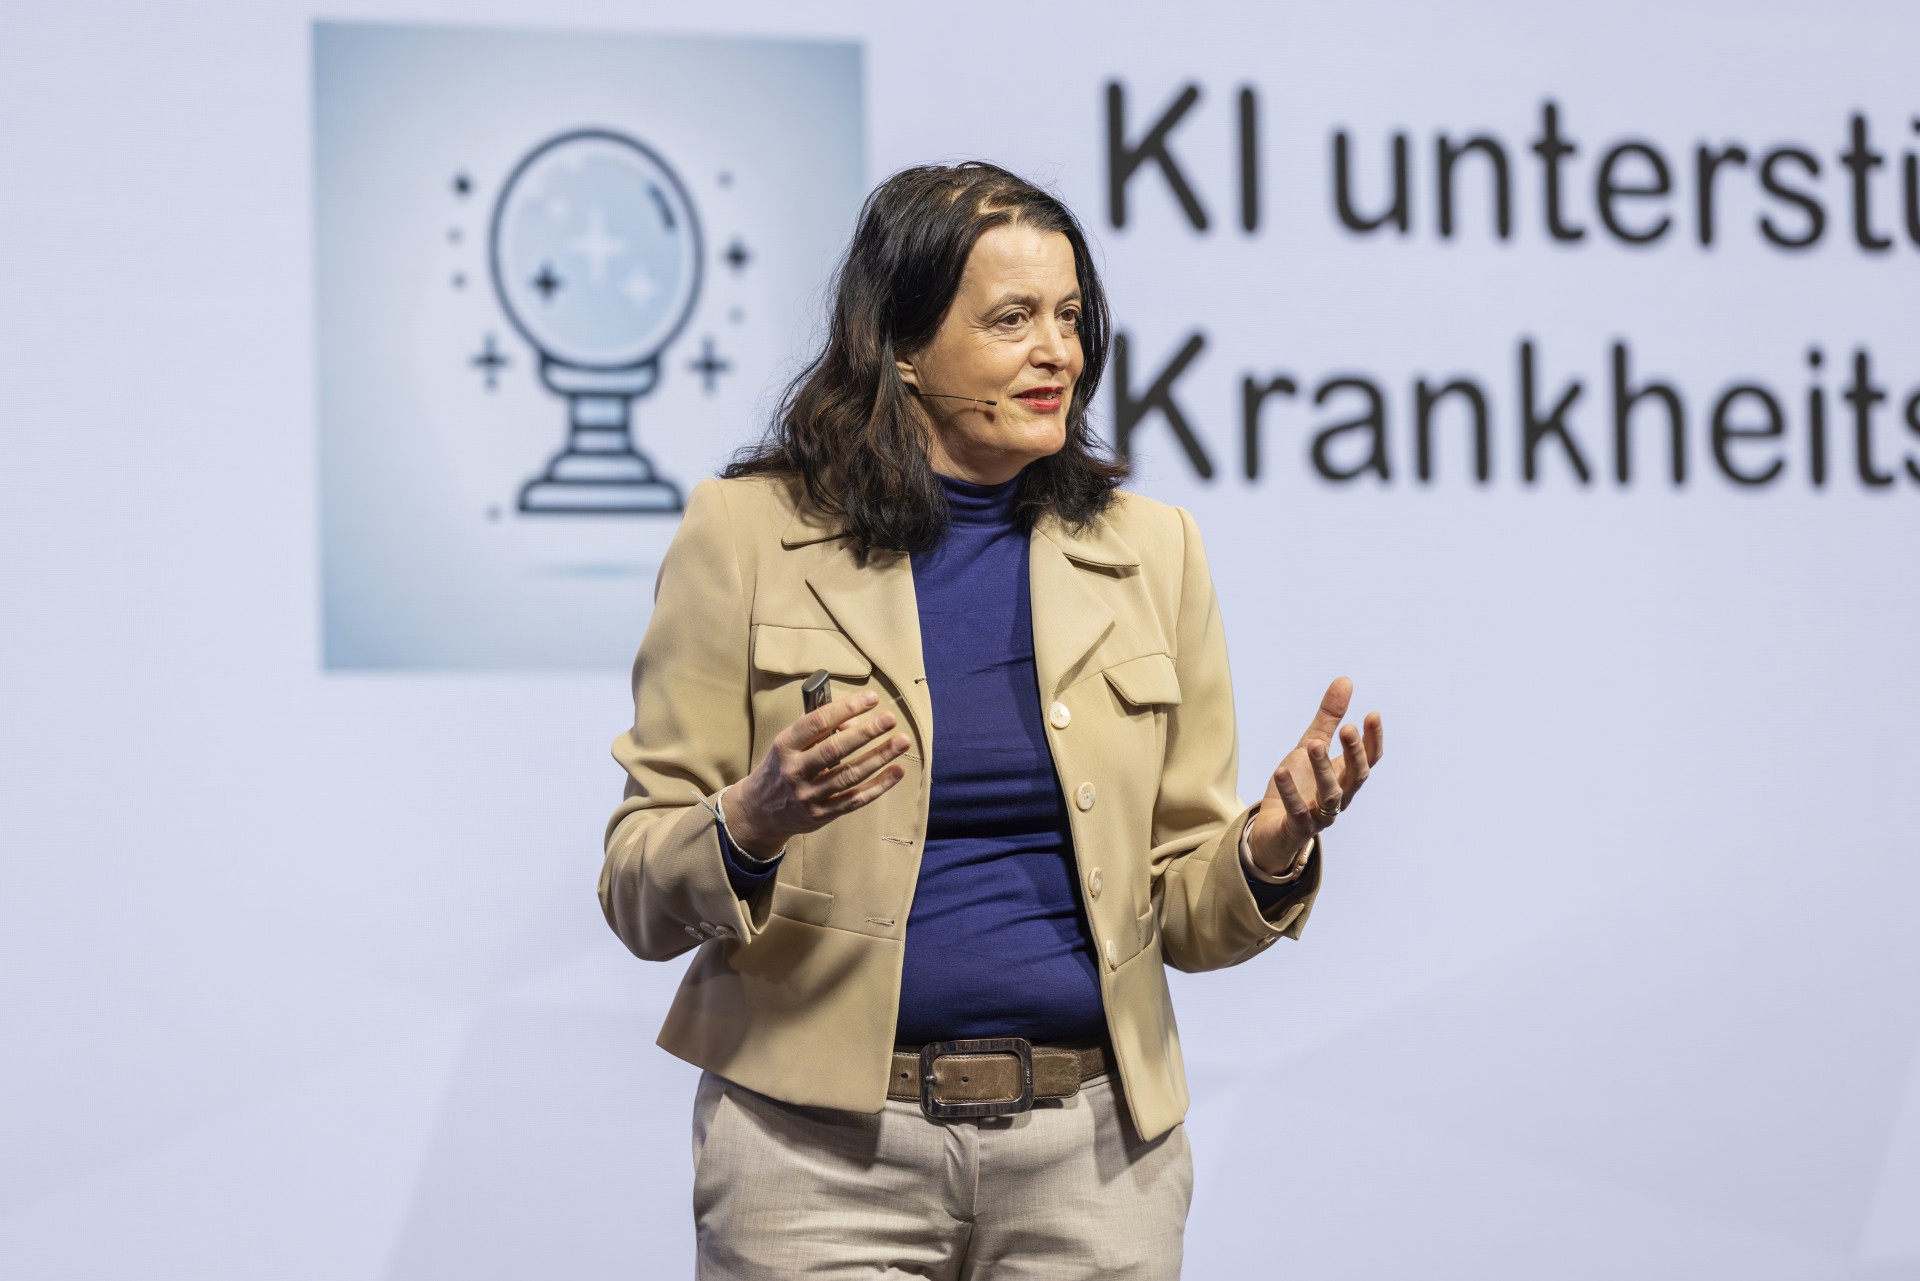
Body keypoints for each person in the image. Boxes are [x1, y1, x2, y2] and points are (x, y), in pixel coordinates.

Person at [598, 161, 1384, 1280]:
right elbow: (635, 886)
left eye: (1070, 316)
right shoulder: (745, 533)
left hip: (1093, 1160)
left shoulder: (1154, 549)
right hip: (815, 1159)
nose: (1057, 351)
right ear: (902, 348)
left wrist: (1268, 848)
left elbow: (1185, 911)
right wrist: (751, 821)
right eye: (1012, 319)